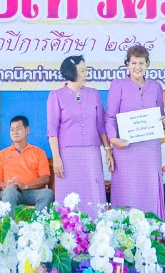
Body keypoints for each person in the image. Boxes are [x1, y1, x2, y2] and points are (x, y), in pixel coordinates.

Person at [47, 55, 114, 217]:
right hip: (67, 155)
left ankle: (97, 228)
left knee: (93, 194)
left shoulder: (93, 94)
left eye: (86, 70)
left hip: (91, 153)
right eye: (82, 70)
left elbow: (101, 125)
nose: (86, 74)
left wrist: (107, 150)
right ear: (72, 72)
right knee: (69, 196)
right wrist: (56, 158)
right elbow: (52, 130)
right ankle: (68, 228)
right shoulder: (56, 95)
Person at [106, 44, 165, 217]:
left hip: (150, 150)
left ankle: (152, 230)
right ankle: (125, 231)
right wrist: (113, 139)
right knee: (127, 192)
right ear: (127, 64)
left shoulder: (156, 86)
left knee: (150, 190)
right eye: (133, 63)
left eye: (141, 63)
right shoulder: (118, 85)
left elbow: (160, 115)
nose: (137, 67)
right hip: (125, 149)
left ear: (148, 64)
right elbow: (110, 117)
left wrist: (163, 122)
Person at [0, 115, 54, 215]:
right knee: (9, 192)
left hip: (32, 192)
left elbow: (45, 178)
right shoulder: (1, 155)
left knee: (47, 193)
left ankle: (38, 223)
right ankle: (9, 225)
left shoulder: (39, 152)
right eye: (12, 129)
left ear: (27, 130)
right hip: (12, 192)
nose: (15, 132)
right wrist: (6, 185)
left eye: (18, 128)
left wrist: (25, 186)